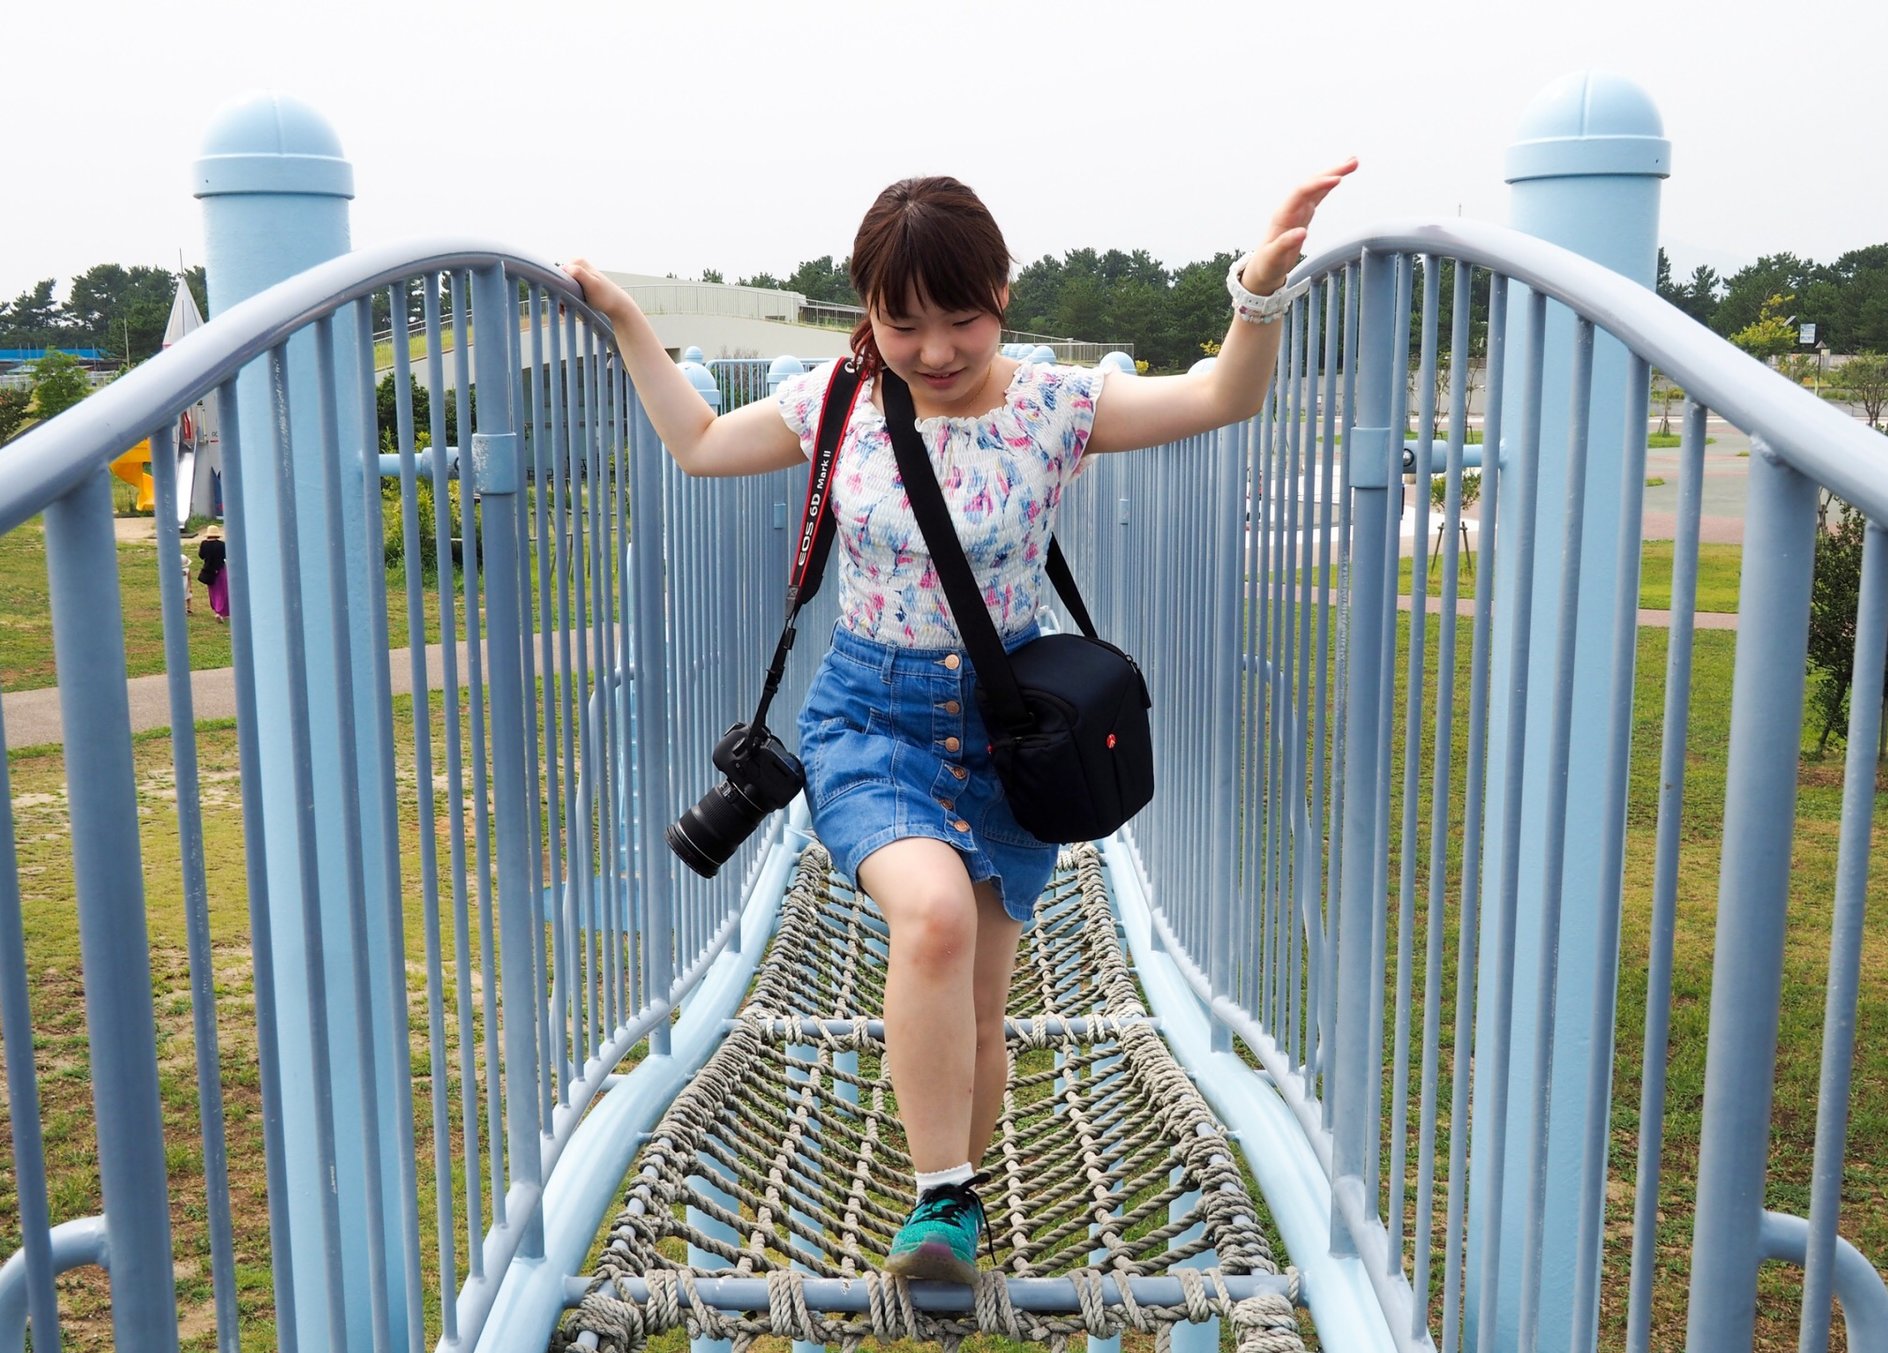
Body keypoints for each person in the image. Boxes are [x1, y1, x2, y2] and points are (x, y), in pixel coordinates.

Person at [564, 158, 1354, 1284]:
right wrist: (632, 319)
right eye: (903, 323)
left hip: (1004, 732)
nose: (935, 351)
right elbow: (698, 445)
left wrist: (1257, 288)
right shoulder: (835, 404)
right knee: (930, 919)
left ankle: (954, 1217)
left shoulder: (1054, 408)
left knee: (980, 1011)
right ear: (868, 314)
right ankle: (936, 1201)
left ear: (1004, 302)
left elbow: (1224, 395)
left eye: (962, 320)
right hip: (869, 718)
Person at [197, 523, 229, 622]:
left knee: (213, 591)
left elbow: (201, 556)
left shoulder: (204, 544)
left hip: (208, 570)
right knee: (222, 590)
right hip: (220, 569)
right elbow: (225, 556)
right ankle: (221, 611)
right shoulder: (221, 545)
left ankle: (216, 610)